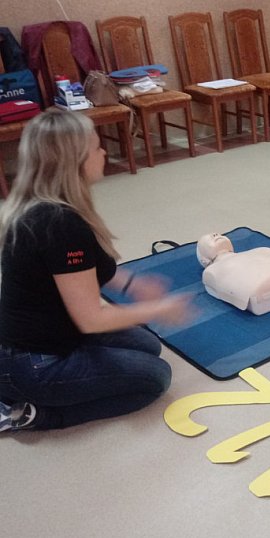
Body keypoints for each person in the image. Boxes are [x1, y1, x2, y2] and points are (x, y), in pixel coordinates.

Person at [0, 110, 190, 432]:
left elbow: (90, 270)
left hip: (51, 335)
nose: (103, 153)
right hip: (33, 363)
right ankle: (33, 414)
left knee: (148, 346)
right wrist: (159, 309)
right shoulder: (58, 224)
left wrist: (134, 286)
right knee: (156, 377)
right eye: (97, 147)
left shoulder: (50, 207)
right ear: (74, 162)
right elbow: (91, 319)